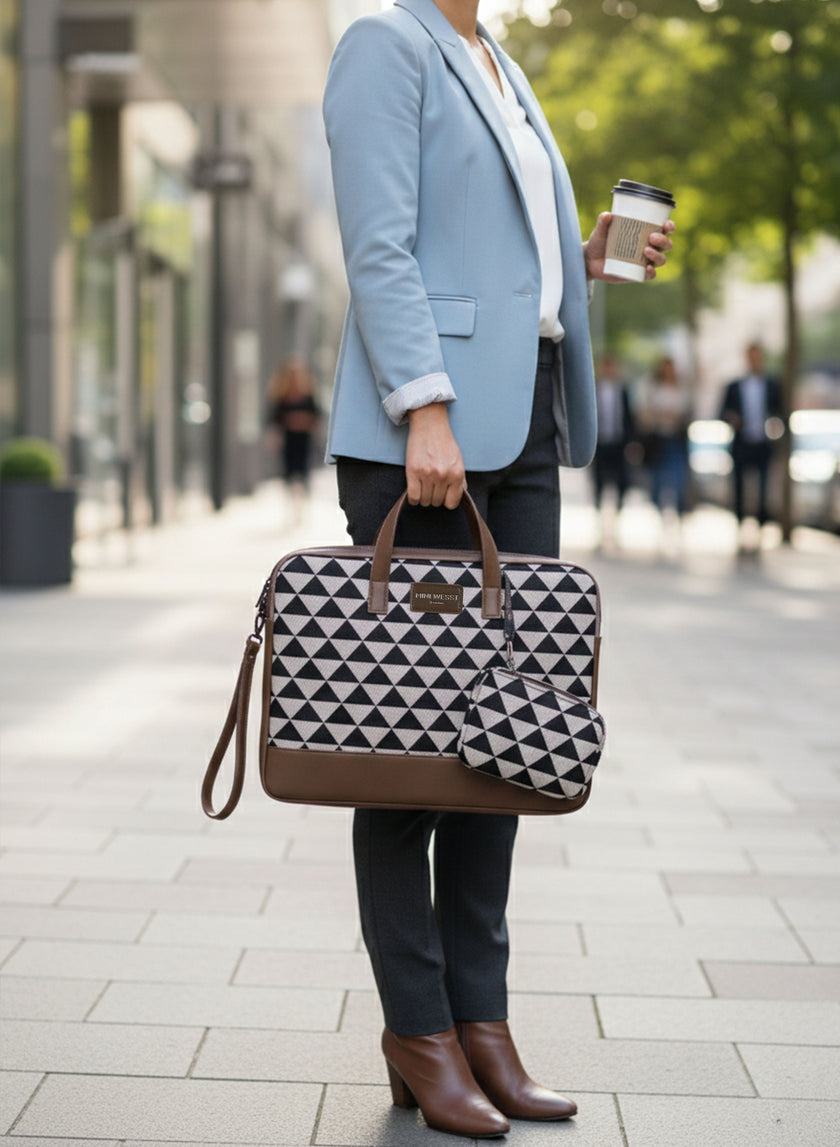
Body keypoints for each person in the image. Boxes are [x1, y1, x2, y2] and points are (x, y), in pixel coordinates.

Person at [322, 0, 674, 1137]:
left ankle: (484, 1024)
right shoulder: (385, 44)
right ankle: (416, 1030)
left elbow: (483, 247)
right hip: (426, 438)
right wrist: (421, 403)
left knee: (505, 735)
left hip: (524, 429)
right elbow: (379, 242)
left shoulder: (500, 62)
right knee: (407, 740)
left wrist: (575, 269)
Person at [719, 342, 784, 531]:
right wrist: (733, 419)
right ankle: (740, 525)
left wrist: (774, 423)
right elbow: (722, 412)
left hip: (763, 443)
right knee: (739, 487)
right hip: (741, 443)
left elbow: (780, 412)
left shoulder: (772, 385)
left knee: (764, 489)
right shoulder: (734, 386)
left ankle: (761, 526)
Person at [267, 356, 319, 518]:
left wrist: (301, 421)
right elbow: (273, 420)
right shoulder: (280, 397)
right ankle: (291, 506)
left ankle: (302, 506)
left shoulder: (308, 395)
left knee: (303, 473)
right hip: (288, 440)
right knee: (289, 474)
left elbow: (316, 417)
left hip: (303, 439)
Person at [640, 355, 690, 522]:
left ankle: (678, 514)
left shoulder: (681, 389)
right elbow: (645, 414)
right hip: (658, 441)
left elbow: (686, 413)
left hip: (676, 440)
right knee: (658, 481)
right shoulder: (653, 388)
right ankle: (660, 515)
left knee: (678, 480)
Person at [591, 353, 636, 532]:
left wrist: (632, 444)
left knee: (621, 484)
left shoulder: (623, 390)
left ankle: (616, 522)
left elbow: (629, 418)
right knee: (599, 484)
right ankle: (600, 523)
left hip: (619, 445)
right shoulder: (594, 389)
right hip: (600, 445)